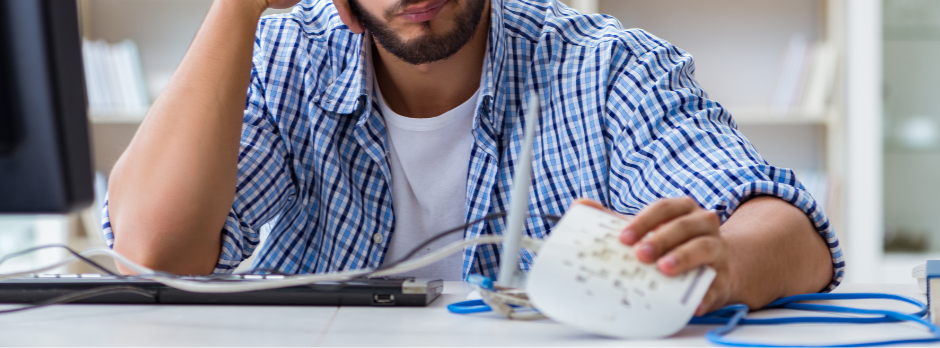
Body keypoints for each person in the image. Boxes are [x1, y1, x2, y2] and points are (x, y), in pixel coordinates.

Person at [103, 0, 844, 315]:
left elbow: (794, 234)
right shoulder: (281, 60)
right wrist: (236, 6)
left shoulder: (604, 65)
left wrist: (726, 267)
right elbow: (154, 251)